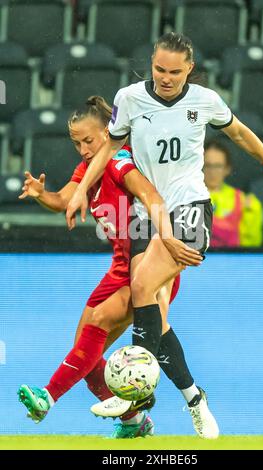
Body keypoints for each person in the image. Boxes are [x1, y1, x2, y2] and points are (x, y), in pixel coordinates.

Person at [65, 32, 263, 437]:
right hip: (143, 216)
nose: (165, 78)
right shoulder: (130, 98)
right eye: (159, 69)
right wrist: (81, 189)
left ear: (190, 69)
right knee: (157, 318)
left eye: (174, 71)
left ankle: (135, 397)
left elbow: (237, 132)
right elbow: (109, 147)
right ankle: (194, 398)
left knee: (143, 284)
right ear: (151, 64)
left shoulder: (204, 100)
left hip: (188, 208)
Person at [17, 96, 205, 439]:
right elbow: (63, 200)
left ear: (108, 132)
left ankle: (48, 396)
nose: (84, 149)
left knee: (98, 327)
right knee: (84, 357)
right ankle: (134, 422)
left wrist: (170, 237)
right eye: (77, 143)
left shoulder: (121, 163)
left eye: (90, 140)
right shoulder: (86, 171)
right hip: (117, 270)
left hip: (144, 267)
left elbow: (150, 196)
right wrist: (42, 194)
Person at [203, 139, 263, 248]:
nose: (212, 171)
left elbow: (252, 245)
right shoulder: (186, 198)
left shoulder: (245, 201)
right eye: (208, 165)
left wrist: (251, 213)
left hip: (233, 261)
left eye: (218, 166)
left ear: (227, 169)